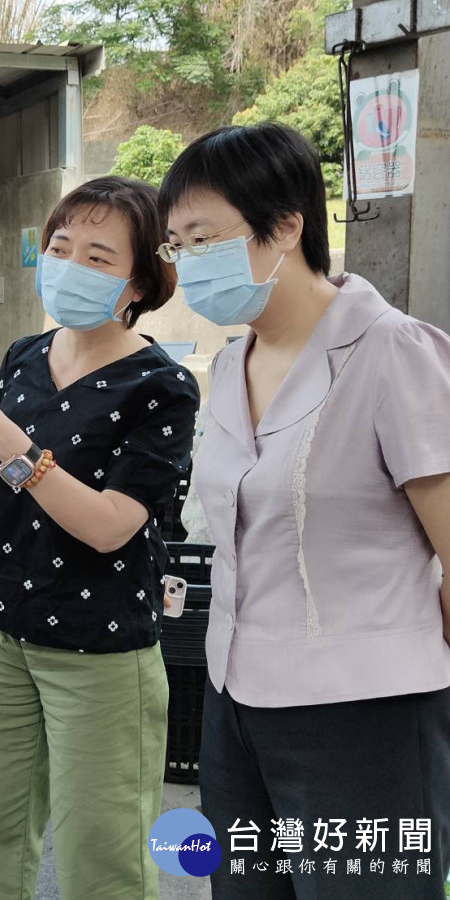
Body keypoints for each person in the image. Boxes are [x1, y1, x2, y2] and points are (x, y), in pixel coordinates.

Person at [158, 122, 450, 899]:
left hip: (363, 713)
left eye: (204, 237)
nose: (189, 262)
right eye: (176, 244)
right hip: (236, 698)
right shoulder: (230, 363)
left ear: (287, 225)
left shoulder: (393, 351)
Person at [0, 175, 200, 900]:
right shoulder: (23, 355)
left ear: (139, 283)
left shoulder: (160, 387)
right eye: (61, 245)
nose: (69, 264)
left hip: (99, 652)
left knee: (100, 850)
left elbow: (111, 526)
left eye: (100, 256)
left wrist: (8, 442)